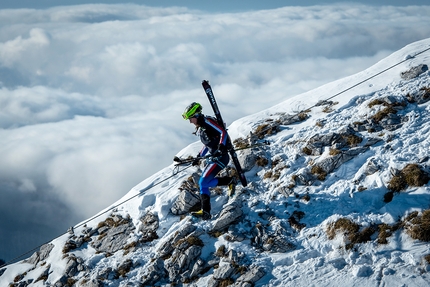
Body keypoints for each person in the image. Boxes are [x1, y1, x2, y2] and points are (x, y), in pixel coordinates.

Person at [182, 102, 236, 220]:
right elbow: (208, 145)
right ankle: (205, 212)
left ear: (196, 115)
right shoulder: (201, 128)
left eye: (190, 118)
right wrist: (199, 157)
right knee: (203, 183)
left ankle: (230, 181)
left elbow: (223, 132)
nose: (190, 122)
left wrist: (221, 146)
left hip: (221, 157)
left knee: (202, 182)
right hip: (214, 158)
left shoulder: (207, 122)